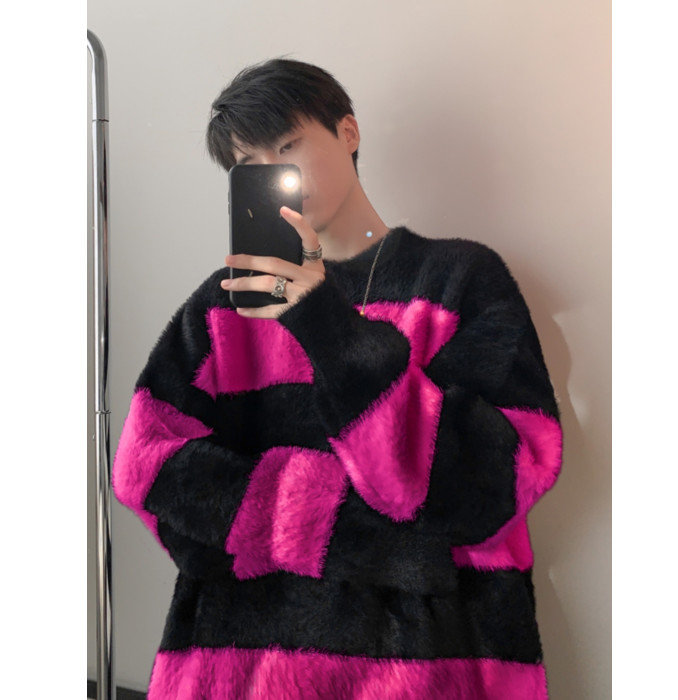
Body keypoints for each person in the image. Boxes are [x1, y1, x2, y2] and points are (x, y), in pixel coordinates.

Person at [113, 58, 562, 699]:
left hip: (425, 668)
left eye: (287, 145)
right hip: (244, 669)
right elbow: (146, 467)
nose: (275, 173)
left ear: (347, 132)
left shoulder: (460, 280)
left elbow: (497, 483)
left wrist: (325, 323)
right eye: (249, 163)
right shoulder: (226, 305)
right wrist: (362, 539)